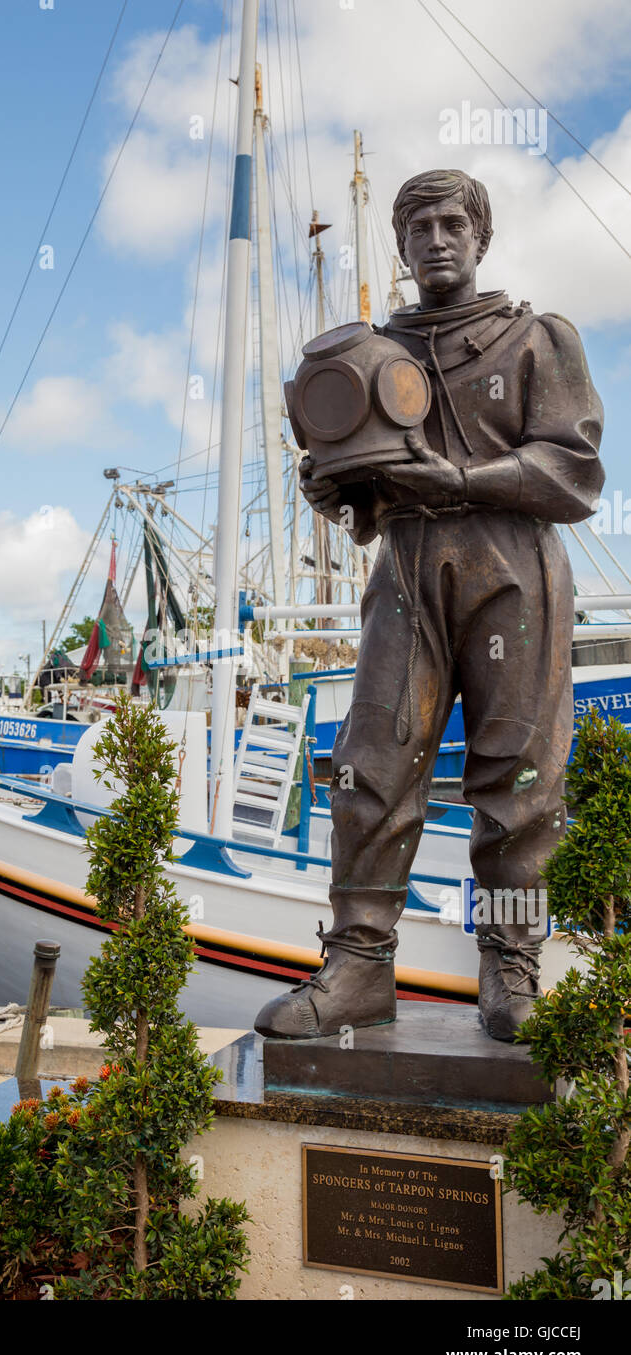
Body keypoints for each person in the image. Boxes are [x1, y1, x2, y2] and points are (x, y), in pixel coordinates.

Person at [254, 168, 604, 1043]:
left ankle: (512, 965)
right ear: (401, 246)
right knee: (371, 761)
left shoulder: (534, 340)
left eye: (454, 224)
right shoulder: (373, 357)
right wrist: (332, 485)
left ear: (481, 237)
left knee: (519, 778)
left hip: (511, 566)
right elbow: (363, 505)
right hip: (409, 568)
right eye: (420, 228)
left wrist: (458, 476)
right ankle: (359, 965)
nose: (438, 240)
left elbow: (572, 471)